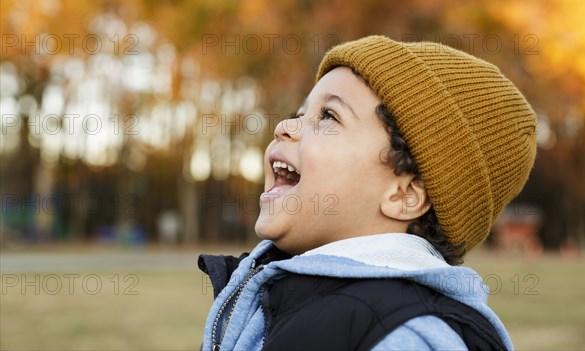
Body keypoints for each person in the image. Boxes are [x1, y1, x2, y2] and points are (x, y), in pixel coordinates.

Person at [198, 35, 537, 350]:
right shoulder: (283, 292)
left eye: (328, 116)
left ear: (404, 194)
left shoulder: (404, 335)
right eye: (298, 113)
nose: (284, 126)